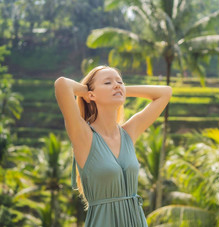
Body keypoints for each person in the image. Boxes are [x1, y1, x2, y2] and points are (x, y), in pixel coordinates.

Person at [54, 65, 172, 227]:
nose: (116, 85)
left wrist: (120, 90)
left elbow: (165, 93)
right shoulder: (84, 136)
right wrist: (87, 92)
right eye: (108, 82)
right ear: (91, 94)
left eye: (120, 81)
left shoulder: (128, 133)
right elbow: (62, 84)